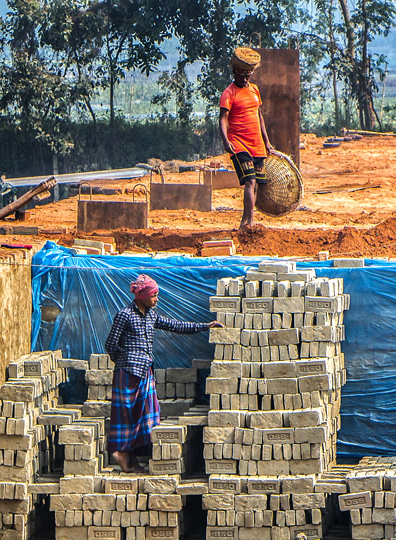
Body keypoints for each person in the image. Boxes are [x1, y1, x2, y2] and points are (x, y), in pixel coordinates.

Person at [104, 275, 222, 473]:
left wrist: (205, 326)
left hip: (145, 371)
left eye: (157, 295)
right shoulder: (125, 315)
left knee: (146, 415)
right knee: (127, 414)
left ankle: (130, 457)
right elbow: (110, 344)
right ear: (141, 296)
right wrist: (125, 361)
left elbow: (175, 325)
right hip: (127, 373)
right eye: (153, 295)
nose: (156, 299)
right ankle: (122, 453)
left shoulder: (151, 315)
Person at [219, 47, 274, 230]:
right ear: (235, 72)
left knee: (257, 183)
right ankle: (247, 222)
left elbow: (260, 117)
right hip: (238, 143)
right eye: (242, 76)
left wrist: (266, 142)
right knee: (249, 181)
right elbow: (223, 119)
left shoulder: (254, 90)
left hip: (257, 144)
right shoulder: (229, 93)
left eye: (248, 76)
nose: (245, 79)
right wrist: (226, 141)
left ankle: (249, 220)